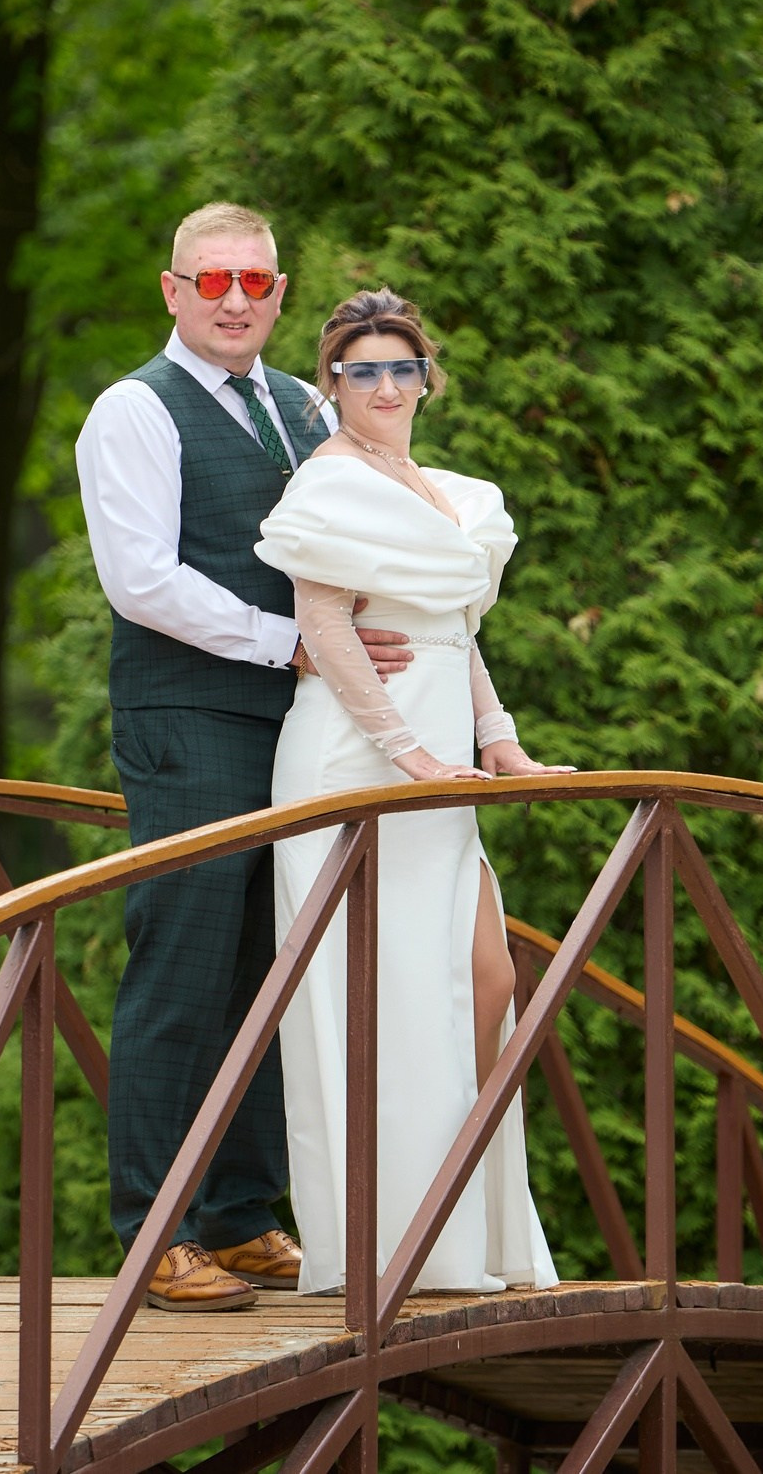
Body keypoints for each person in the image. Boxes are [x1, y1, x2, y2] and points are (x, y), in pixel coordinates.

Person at [74, 204, 413, 1312]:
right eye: (211, 280)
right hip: (191, 721)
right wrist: (299, 648)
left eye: (255, 284)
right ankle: (151, 1231)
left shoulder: (303, 405)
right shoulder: (134, 411)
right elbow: (144, 584)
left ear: (278, 294)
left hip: (301, 730)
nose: (234, 300)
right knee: (181, 963)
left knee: (270, 967)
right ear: (171, 290)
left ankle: (240, 1213)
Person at [254, 288, 572, 1294]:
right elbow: (326, 623)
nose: (384, 386)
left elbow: (452, 636)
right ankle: (391, 1249)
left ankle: (463, 1230)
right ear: (332, 384)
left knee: (486, 982)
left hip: (443, 767)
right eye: (361, 371)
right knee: (373, 1000)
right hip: (355, 759)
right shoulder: (327, 485)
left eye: (401, 368)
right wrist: (404, 751)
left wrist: (502, 744)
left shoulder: (444, 490)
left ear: (427, 378)